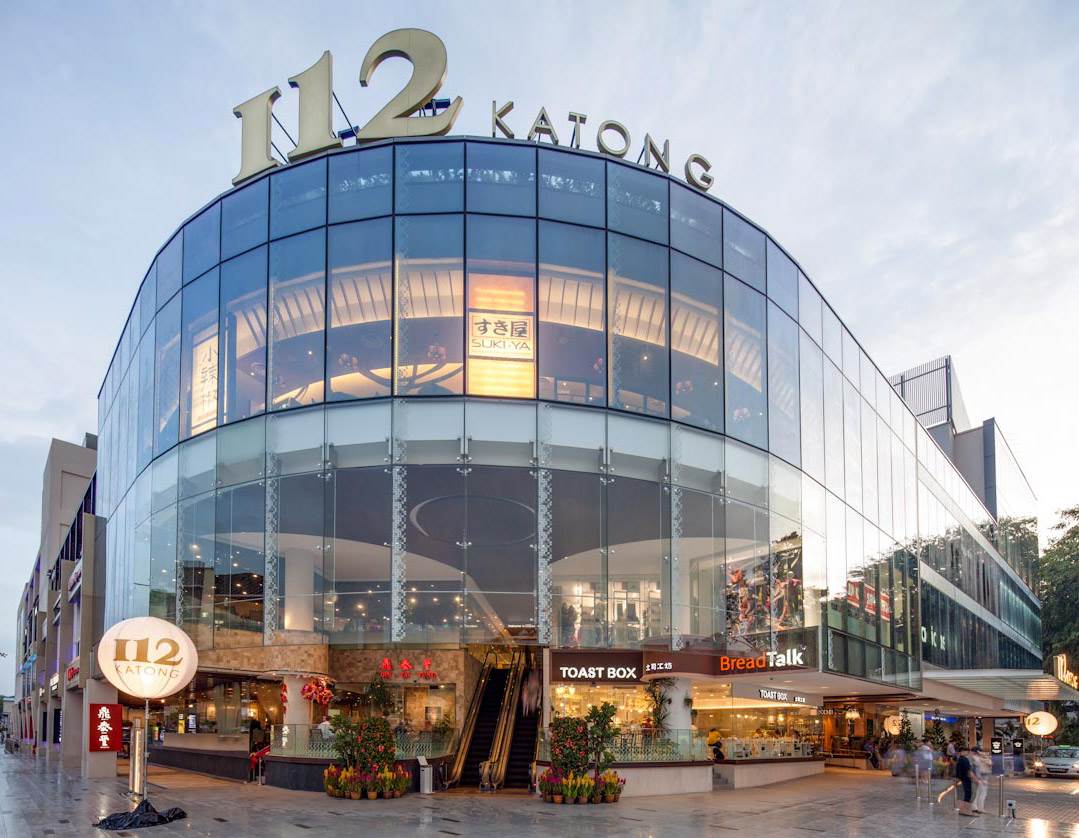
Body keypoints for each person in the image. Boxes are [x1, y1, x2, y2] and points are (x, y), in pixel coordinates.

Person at [955, 745, 976, 816]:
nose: (968, 753)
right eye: (967, 751)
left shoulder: (960, 759)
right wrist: (974, 778)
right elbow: (968, 770)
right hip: (965, 779)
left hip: (961, 779)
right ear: (963, 751)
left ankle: (962, 810)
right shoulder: (964, 759)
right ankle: (966, 810)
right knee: (967, 794)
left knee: (962, 794)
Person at [971, 746, 990, 814]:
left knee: (977, 793)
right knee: (982, 794)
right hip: (981, 778)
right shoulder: (978, 759)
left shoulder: (974, 758)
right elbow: (989, 763)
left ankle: (975, 807)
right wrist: (980, 779)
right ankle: (980, 808)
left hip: (977, 778)